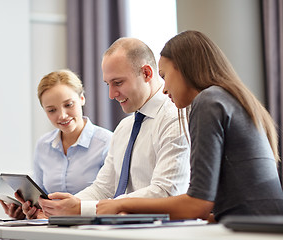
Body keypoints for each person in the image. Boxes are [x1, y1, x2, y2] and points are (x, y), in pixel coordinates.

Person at [96, 30, 283, 222]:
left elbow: (197, 204)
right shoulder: (227, 98)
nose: (165, 87)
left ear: (184, 69)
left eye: (165, 75)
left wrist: (121, 203)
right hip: (261, 222)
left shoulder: (208, 101)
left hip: (253, 228)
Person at [22, 37, 191, 219]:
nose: (111, 94)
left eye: (118, 83)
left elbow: (166, 191)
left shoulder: (175, 118)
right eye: (108, 84)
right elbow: (103, 188)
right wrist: (64, 208)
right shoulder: (124, 128)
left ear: (147, 74)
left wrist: (82, 209)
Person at [0, 69, 113, 219]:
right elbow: (40, 199)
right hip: (52, 229)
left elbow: (115, 199)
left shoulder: (108, 142)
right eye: (52, 110)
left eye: (68, 105)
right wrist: (29, 212)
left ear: (82, 99)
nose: (62, 115)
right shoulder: (43, 145)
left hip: (93, 227)